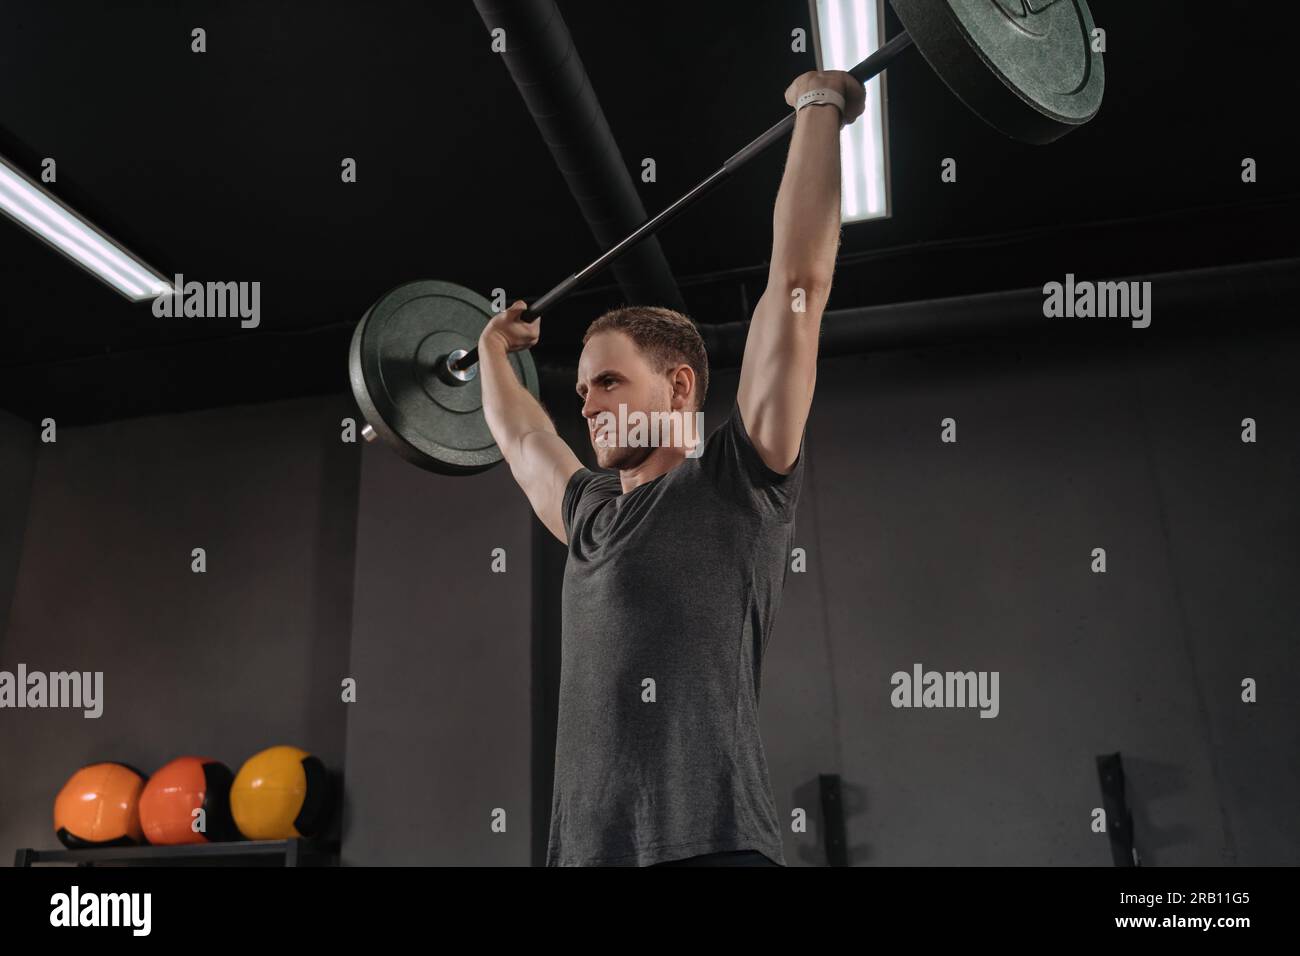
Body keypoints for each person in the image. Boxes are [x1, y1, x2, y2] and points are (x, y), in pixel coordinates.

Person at [476, 70, 866, 866]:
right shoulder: (589, 516)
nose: (585, 406)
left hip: (710, 848)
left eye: (609, 381)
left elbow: (798, 285)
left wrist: (820, 109)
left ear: (679, 384)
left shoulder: (735, 481)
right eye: (581, 389)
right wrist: (489, 350)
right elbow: (520, 439)